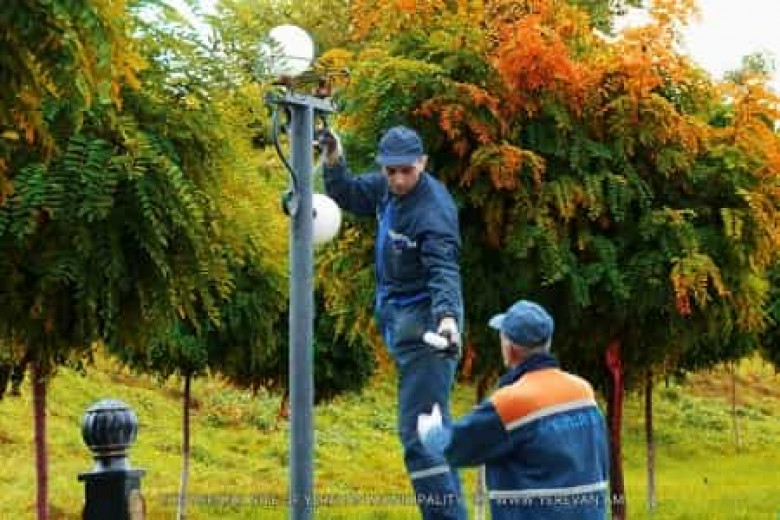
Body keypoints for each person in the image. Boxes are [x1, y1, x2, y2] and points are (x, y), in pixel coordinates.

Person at [320, 126, 467, 519]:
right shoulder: (386, 190)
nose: (399, 180)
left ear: (423, 164)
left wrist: (448, 320)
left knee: (422, 436)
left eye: (407, 171)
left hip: (429, 331)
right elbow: (348, 193)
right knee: (433, 432)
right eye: (391, 172)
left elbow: (444, 270)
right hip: (400, 318)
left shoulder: (433, 212)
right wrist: (333, 160)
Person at [417, 300, 609, 520]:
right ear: (547, 342)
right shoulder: (583, 391)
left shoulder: (512, 403)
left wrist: (431, 432)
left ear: (508, 348)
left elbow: (456, 447)